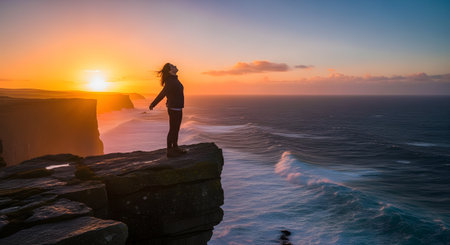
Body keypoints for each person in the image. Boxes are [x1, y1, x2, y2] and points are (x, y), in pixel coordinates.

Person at [149, 63, 187, 157]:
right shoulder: (170, 81)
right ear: (170, 70)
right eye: (172, 66)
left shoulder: (174, 79)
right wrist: (153, 104)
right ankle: (170, 150)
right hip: (174, 109)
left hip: (177, 108)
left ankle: (175, 147)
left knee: (176, 129)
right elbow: (162, 94)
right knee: (173, 129)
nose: (175, 66)